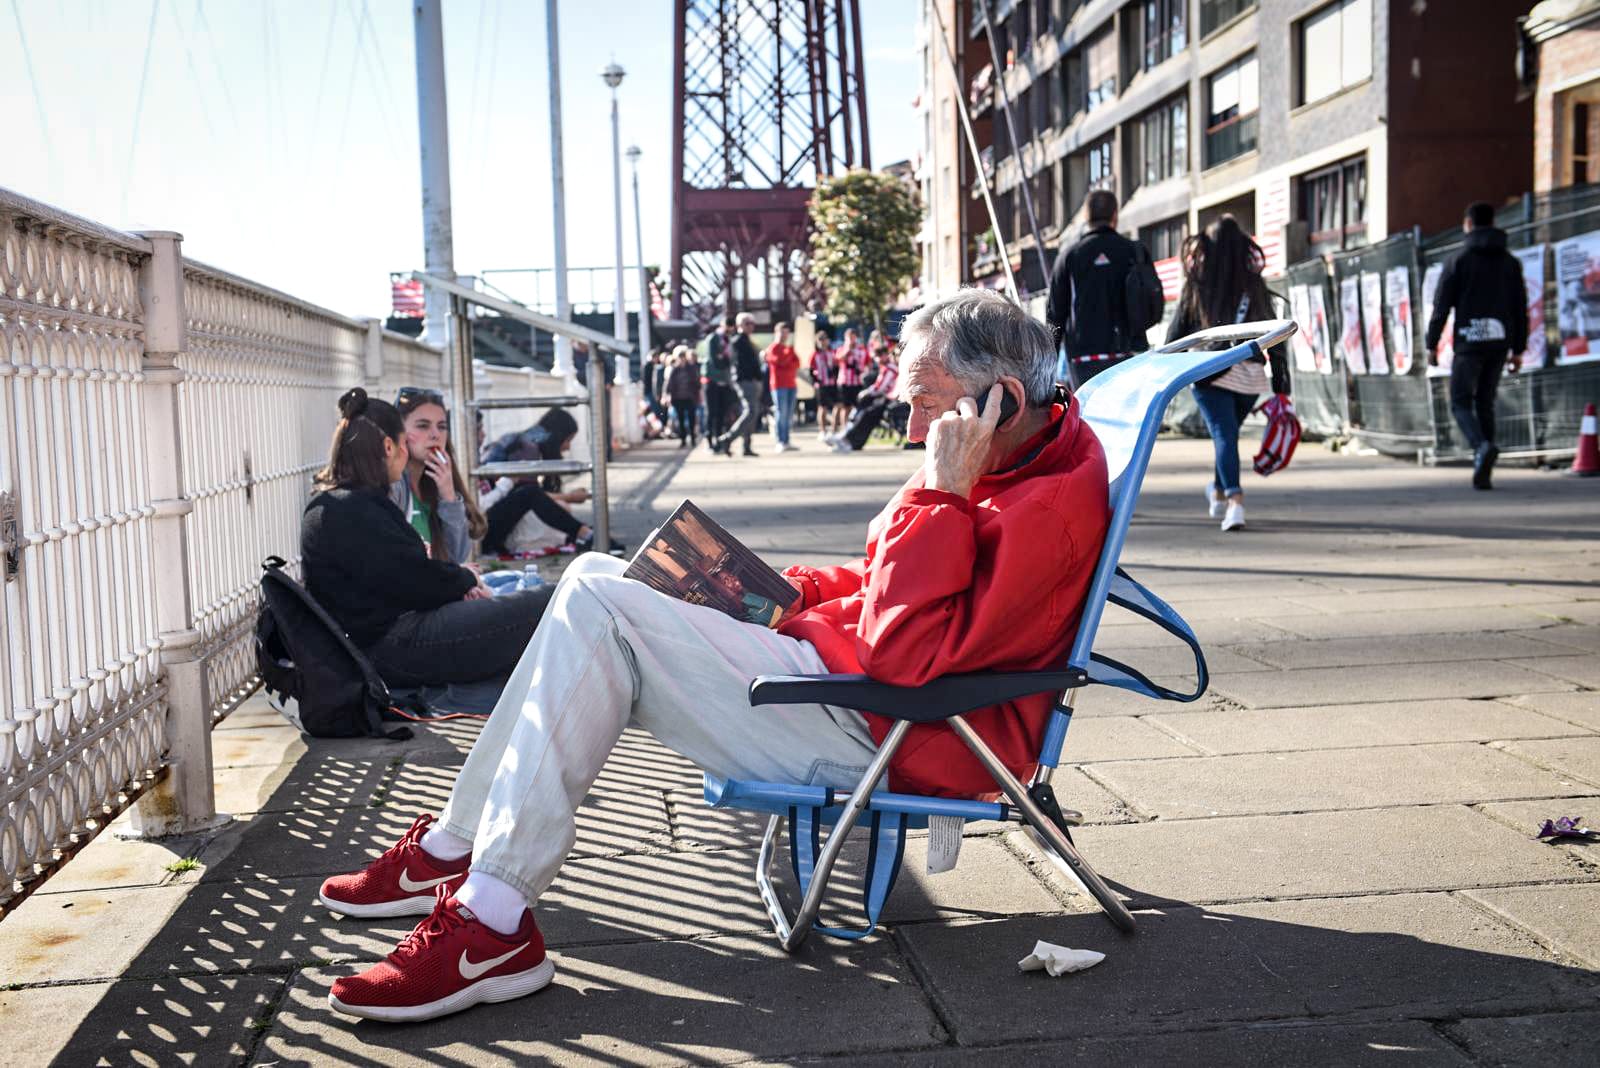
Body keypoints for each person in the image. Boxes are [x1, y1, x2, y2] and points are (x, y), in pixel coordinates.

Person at [314, 290, 1111, 1023]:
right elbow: (887, 586)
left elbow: (907, 661)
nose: (911, 430)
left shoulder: (1029, 506)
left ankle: (490, 921)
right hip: (856, 694)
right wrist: (783, 589)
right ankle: (455, 846)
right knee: (596, 573)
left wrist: (938, 493)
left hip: (897, 734)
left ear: (1001, 396)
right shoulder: (1016, 459)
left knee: (598, 604)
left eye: (925, 405)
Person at [301, 389, 553, 693]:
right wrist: (463, 578)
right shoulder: (357, 508)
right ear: (389, 446)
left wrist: (458, 578)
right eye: (407, 441)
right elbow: (416, 580)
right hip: (392, 648)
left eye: (441, 426)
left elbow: (413, 573)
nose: (427, 440)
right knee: (551, 599)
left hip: (392, 639)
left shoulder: (348, 502)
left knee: (530, 597)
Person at [1165, 216, 1289, 533]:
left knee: (1225, 434)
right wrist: (1281, 384)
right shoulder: (1255, 285)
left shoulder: (1198, 285)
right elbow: (1274, 336)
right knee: (1228, 435)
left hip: (1208, 373)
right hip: (1249, 377)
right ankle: (1219, 491)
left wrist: (1165, 375)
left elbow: (1176, 334)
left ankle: (1233, 500)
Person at [1425, 201, 1530, 490]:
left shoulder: (1458, 260)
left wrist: (1431, 344)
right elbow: (1520, 307)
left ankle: (1481, 447)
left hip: (1469, 342)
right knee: (1485, 401)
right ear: (1493, 222)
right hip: (1499, 342)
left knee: (1460, 401)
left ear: (1468, 224)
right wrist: (1519, 348)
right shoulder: (1509, 262)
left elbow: (1441, 306)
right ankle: (1484, 465)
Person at [1047, 189, 1163, 389]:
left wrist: (1048, 365)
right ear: (1115, 215)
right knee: (1128, 415)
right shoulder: (1135, 252)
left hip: (1084, 358)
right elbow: (1155, 304)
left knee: (1090, 415)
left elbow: (1055, 315)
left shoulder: (1069, 256)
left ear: (1086, 216)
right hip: (1130, 353)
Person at [479, 408, 618, 555]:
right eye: (568, 440)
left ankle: (583, 534)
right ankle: (585, 534)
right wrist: (570, 497)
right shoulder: (527, 448)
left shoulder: (524, 440)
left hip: (486, 522)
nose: (568, 447)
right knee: (554, 504)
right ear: (558, 436)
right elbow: (525, 496)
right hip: (485, 529)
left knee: (555, 506)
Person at [391, 387, 487, 564]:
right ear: (400, 432)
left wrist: (449, 496)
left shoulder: (435, 485)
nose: (435, 435)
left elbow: (455, 557)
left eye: (442, 427)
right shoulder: (393, 485)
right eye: (423, 426)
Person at [828, 341, 905, 453]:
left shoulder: (890, 369)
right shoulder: (886, 368)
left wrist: (867, 392)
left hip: (889, 400)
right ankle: (847, 437)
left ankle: (849, 440)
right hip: (886, 399)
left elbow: (881, 388)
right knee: (862, 410)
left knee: (866, 413)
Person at [711, 311, 764, 457]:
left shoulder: (745, 341)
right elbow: (737, 363)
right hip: (745, 380)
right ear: (740, 325)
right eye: (747, 323)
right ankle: (727, 438)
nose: (751, 326)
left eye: (752, 323)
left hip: (750, 380)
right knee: (751, 411)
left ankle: (746, 446)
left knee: (751, 413)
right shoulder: (737, 341)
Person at [765, 321, 801, 452]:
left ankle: (786, 440)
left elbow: (797, 363)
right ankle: (780, 441)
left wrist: (788, 357)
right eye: (782, 333)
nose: (785, 336)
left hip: (791, 384)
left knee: (789, 414)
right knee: (781, 413)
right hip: (779, 385)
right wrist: (788, 354)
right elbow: (781, 361)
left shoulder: (788, 349)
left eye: (787, 333)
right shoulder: (773, 348)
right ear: (777, 333)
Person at [699, 319, 734, 447]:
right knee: (711, 412)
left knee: (721, 412)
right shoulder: (713, 338)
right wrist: (724, 360)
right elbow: (715, 360)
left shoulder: (728, 340)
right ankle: (709, 439)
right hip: (712, 380)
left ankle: (719, 439)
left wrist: (723, 359)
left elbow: (729, 359)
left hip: (724, 381)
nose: (730, 330)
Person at [664, 344, 702, 448]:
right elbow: (669, 384)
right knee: (680, 419)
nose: (682, 359)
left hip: (690, 398)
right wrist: (667, 396)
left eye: (683, 356)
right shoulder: (675, 370)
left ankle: (693, 439)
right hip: (678, 398)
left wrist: (698, 394)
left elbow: (697, 382)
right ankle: (683, 439)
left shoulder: (691, 368)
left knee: (691, 419)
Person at [809, 330, 838, 437]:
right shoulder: (815, 355)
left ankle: (834, 430)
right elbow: (811, 370)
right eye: (820, 340)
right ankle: (822, 430)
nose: (822, 342)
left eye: (824, 339)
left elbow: (836, 365)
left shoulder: (832, 352)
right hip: (821, 384)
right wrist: (816, 381)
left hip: (832, 383)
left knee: (837, 406)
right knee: (822, 407)